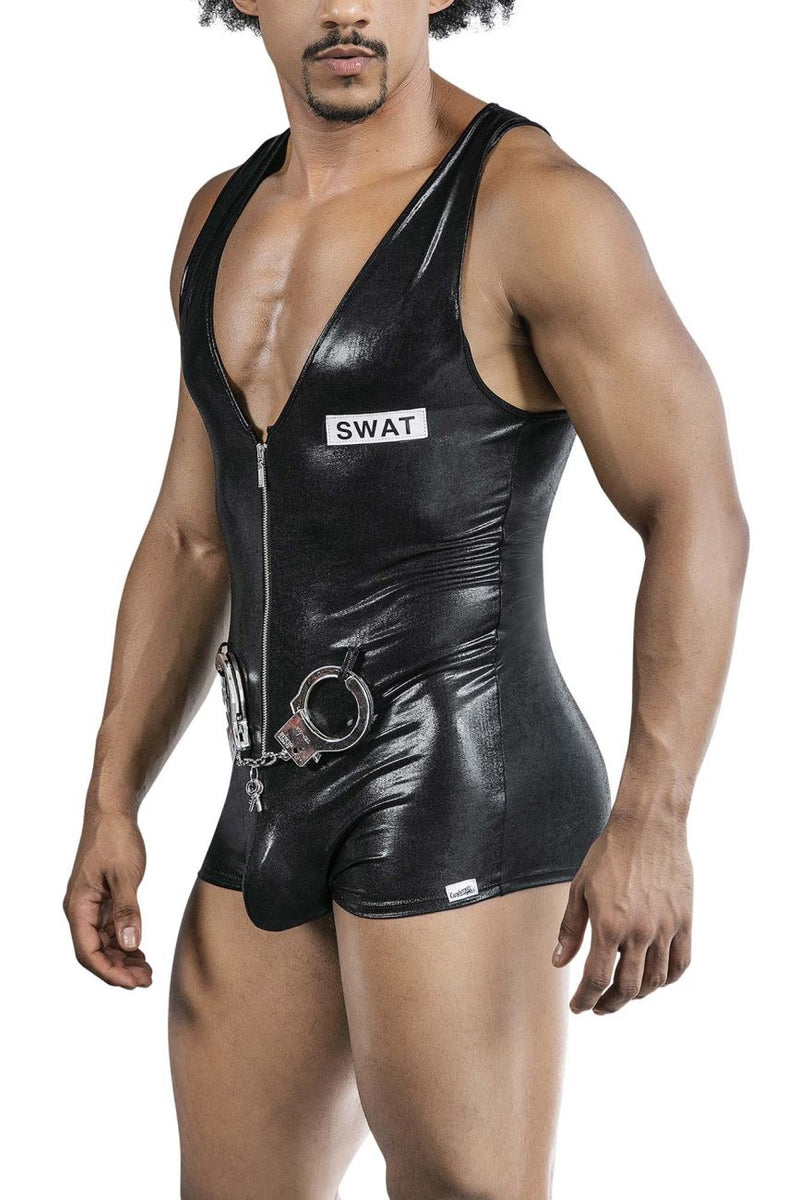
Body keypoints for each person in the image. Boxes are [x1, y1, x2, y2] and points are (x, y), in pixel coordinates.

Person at [63, 2, 749, 1197]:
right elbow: (190, 538)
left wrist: (656, 812)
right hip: (273, 787)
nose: (345, 8)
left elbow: (695, 508)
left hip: (465, 791)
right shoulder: (217, 220)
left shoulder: (533, 210)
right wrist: (111, 793)